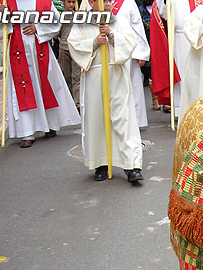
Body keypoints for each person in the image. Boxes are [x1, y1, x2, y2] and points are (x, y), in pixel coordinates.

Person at [68, 0, 144, 182]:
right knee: (97, 119)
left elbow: (130, 41)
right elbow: (74, 44)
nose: (108, 3)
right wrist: (93, 42)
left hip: (116, 72)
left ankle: (131, 165)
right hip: (94, 74)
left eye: (109, 1)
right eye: (104, 1)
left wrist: (111, 35)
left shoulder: (117, 21)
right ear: (92, 3)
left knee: (123, 118)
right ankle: (101, 163)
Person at [0, 0, 80, 148]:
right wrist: (1, 13)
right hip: (17, 50)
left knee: (46, 86)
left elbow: (56, 22)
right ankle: (27, 132)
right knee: (24, 90)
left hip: (40, 47)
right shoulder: (6, 2)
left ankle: (51, 124)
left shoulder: (44, 2)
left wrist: (38, 27)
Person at [111, 0, 151, 128]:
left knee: (132, 86)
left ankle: (136, 120)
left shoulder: (127, 2)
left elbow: (137, 27)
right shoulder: (93, 3)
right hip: (107, 50)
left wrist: (141, 52)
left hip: (128, 49)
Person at [155, 0, 194, 117]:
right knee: (181, 74)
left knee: (195, 74)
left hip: (196, 36)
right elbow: (163, 13)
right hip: (179, 37)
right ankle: (180, 109)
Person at [58, 0, 81, 109]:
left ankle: (77, 103)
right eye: (69, 2)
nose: (71, 4)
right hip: (64, 48)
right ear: (63, 2)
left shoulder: (78, 16)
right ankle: (68, 103)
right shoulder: (59, 16)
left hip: (75, 49)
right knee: (65, 76)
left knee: (76, 77)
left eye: (73, 2)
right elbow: (55, 32)